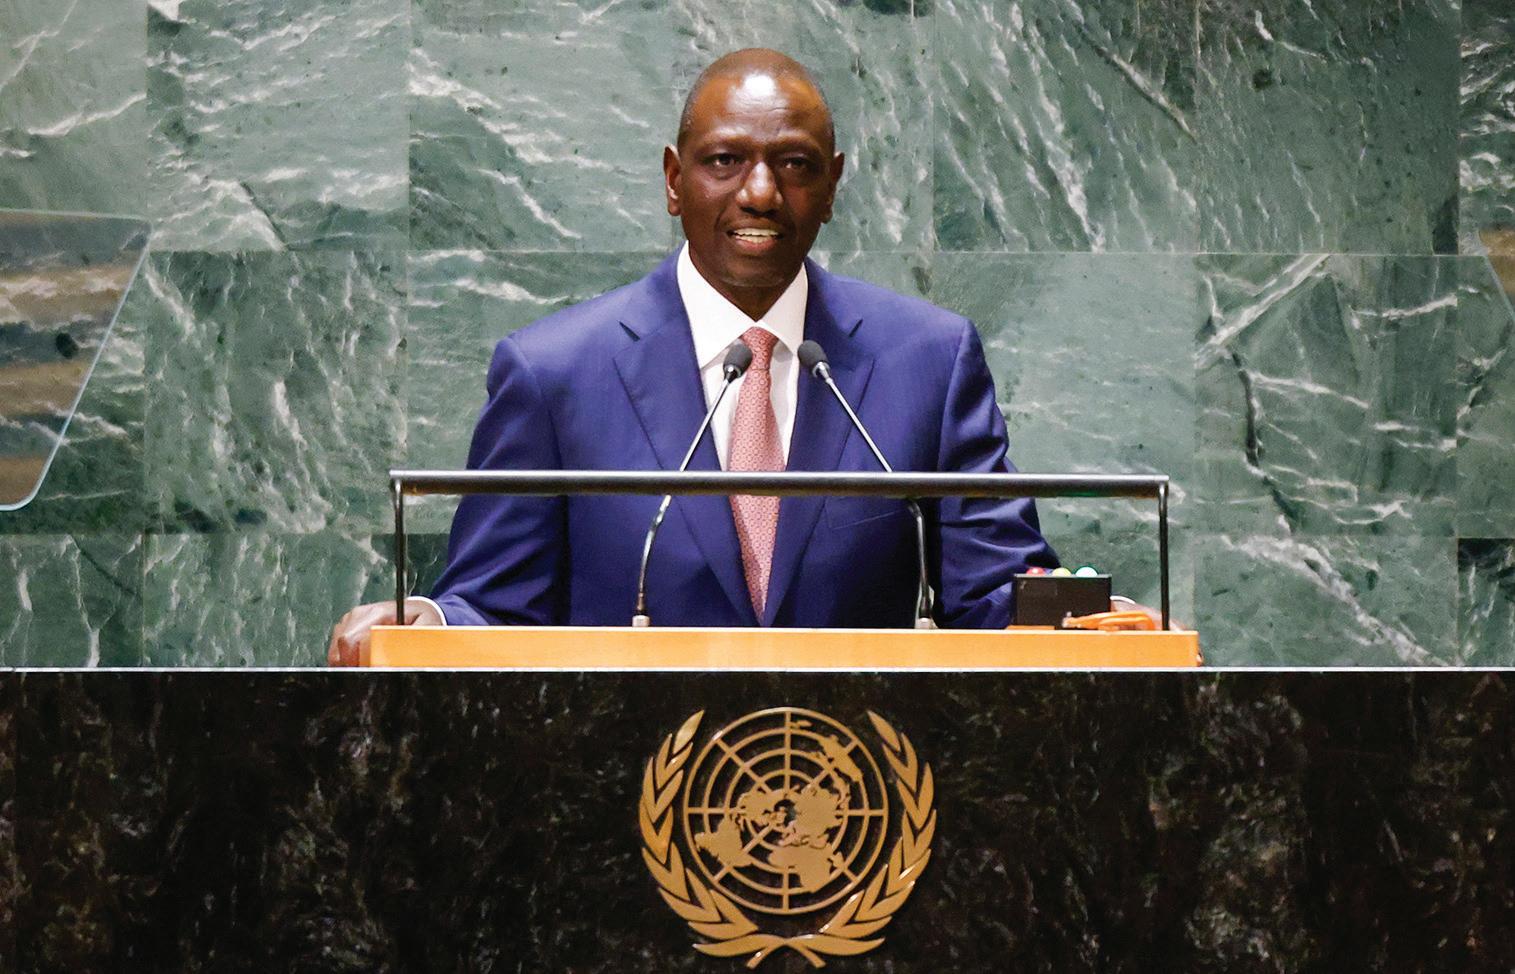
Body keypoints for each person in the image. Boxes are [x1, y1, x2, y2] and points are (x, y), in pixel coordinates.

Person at [329, 48, 1060, 665]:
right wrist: (430, 622)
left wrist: (1073, 619)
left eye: (795, 164)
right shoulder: (555, 374)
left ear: (832, 186)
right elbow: (496, 606)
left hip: (864, 779)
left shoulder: (928, 362)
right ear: (674, 181)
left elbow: (998, 595)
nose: (761, 193)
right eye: (725, 161)